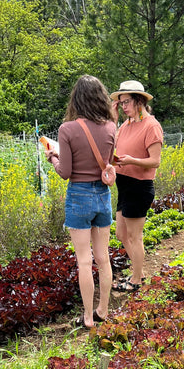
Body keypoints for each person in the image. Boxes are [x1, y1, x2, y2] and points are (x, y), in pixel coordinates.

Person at [45, 75, 116, 328]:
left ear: (76, 98)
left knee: (84, 261)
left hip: (79, 197)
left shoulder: (68, 129)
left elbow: (65, 172)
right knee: (103, 257)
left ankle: (87, 317)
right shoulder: (111, 126)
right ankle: (103, 310)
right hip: (103, 196)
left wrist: (53, 157)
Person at [110, 80, 163, 292]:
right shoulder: (126, 124)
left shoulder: (151, 125)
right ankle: (138, 273)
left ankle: (136, 279)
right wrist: (114, 120)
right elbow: (112, 144)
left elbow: (155, 161)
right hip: (124, 184)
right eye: (120, 103)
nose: (123, 106)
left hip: (139, 186)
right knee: (122, 235)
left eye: (126, 102)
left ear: (139, 101)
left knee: (134, 235)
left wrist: (132, 160)